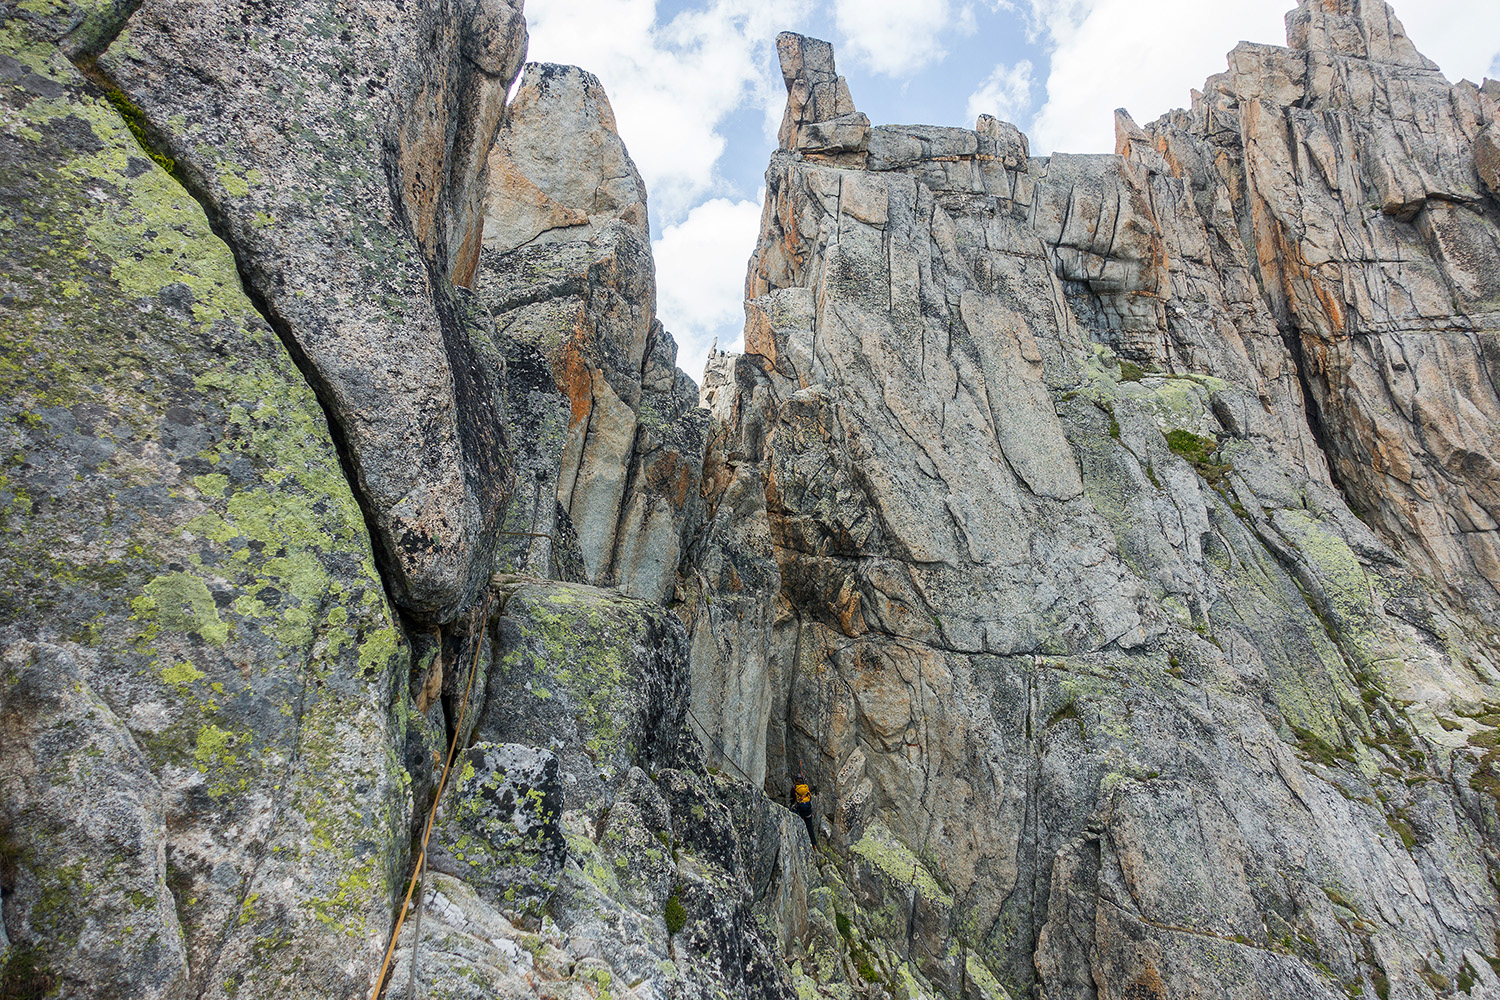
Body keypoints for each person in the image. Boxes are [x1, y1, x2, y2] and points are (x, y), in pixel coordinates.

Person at [792, 768, 816, 847]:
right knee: (809, 826)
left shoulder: (795, 789)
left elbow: (793, 798)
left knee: (800, 824)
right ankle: (814, 844)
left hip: (801, 809)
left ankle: (802, 844)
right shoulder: (806, 787)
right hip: (808, 809)